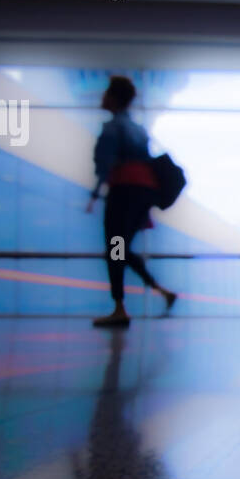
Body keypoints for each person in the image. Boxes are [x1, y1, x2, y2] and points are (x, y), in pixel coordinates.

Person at [85, 76, 177, 328]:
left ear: (114, 98)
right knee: (121, 248)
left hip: (123, 192)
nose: (102, 98)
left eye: (106, 94)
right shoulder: (138, 129)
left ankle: (119, 307)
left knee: (115, 247)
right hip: (142, 195)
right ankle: (161, 290)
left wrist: (94, 195)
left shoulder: (113, 127)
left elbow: (105, 166)